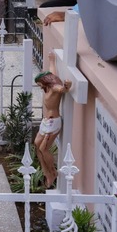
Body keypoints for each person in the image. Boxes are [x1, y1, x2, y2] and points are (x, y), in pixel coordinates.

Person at [34, 52, 71, 189]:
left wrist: (67, 86)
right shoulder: (48, 86)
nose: (39, 86)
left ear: (44, 81)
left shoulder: (54, 88)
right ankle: (46, 172)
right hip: (45, 122)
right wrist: (51, 60)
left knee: (44, 148)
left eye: (39, 84)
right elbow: (52, 72)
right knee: (37, 144)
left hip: (53, 122)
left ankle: (53, 172)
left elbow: (62, 89)